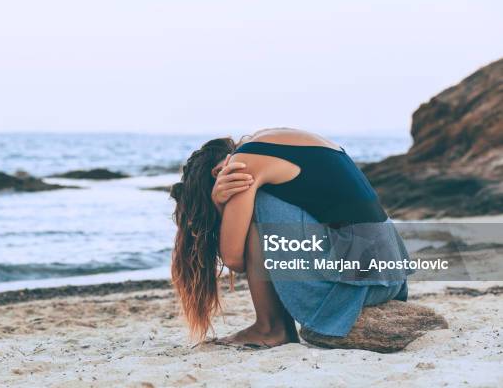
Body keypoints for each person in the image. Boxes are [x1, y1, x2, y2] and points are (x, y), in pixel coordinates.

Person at [170, 128, 409, 348]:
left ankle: (271, 328)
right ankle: (273, 326)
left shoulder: (241, 165)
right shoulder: (276, 141)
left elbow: (235, 259)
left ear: (217, 173)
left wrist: (220, 204)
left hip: (356, 287)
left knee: (256, 200)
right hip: (390, 279)